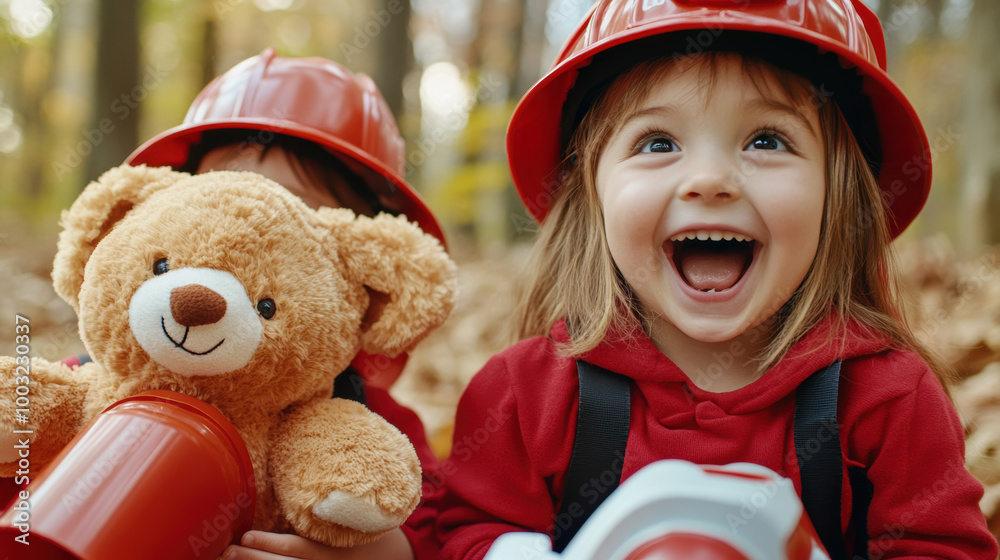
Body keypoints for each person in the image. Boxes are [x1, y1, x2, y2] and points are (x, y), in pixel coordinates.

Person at [436, 1, 998, 559]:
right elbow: (465, 534)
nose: (709, 180)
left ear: (839, 196)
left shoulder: (888, 400)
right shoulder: (523, 397)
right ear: (592, 199)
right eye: (658, 143)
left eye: (767, 141)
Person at [126, 48, 443, 560]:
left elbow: (433, 531)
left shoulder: (375, 425)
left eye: (295, 214)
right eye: (222, 194)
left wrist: (378, 552)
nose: (247, 233)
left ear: (366, 278)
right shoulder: (104, 376)